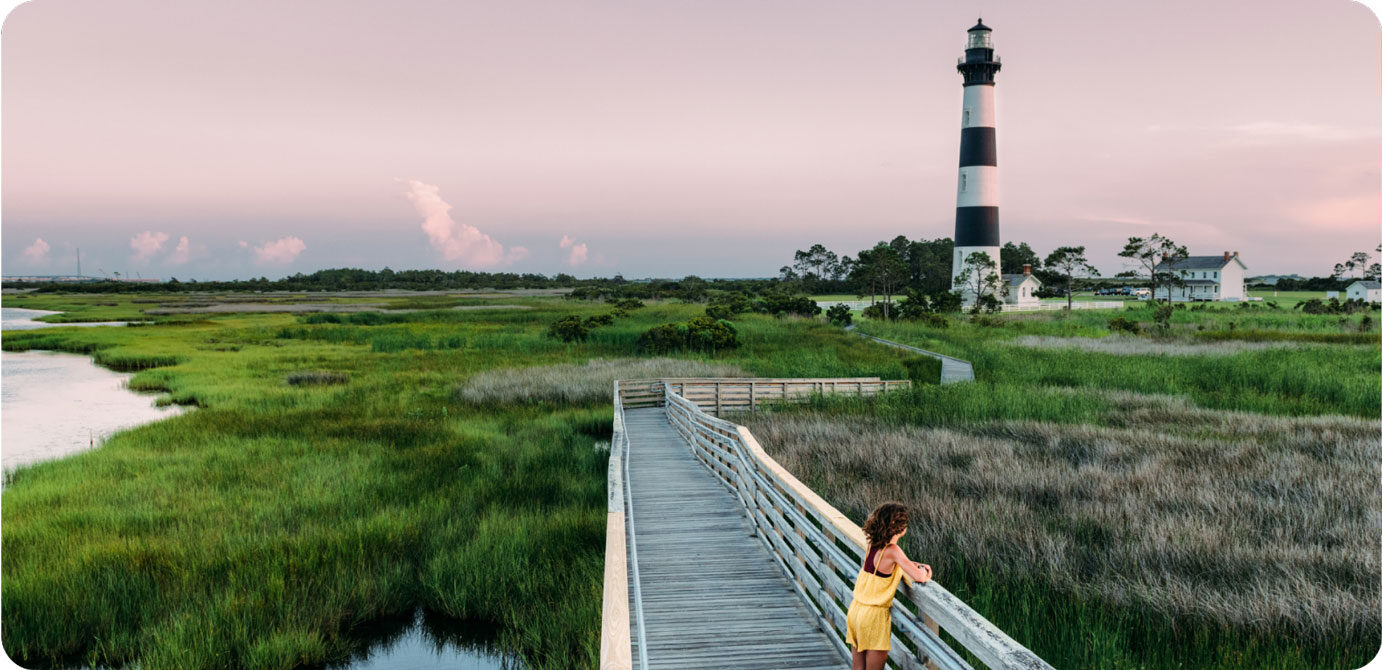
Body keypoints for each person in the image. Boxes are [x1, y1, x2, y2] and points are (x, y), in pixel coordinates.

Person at [845, 501, 932, 670]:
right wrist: (926, 571)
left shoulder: (872, 545)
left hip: (856, 610)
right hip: (873, 617)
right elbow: (919, 577)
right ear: (900, 528)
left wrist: (911, 564)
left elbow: (899, 563)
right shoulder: (893, 551)